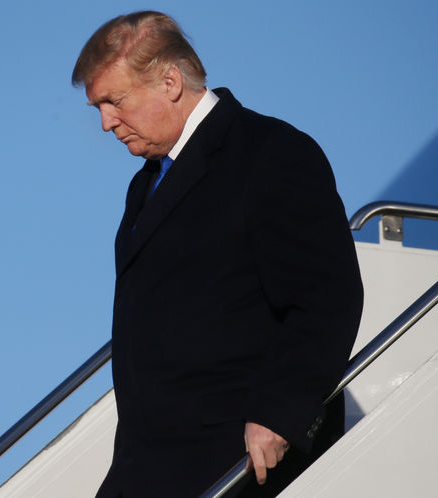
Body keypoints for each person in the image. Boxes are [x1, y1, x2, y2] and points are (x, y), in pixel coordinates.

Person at [72, 11, 364, 498]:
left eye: (114, 101)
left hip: (234, 461)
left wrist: (278, 412)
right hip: (148, 464)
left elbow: (326, 296)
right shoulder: (145, 185)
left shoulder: (269, 152)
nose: (105, 123)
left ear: (170, 81)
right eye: (97, 107)